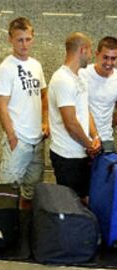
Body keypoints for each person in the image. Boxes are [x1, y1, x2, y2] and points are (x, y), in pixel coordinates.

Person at [0, 17, 48, 209]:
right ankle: (6, 230)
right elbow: (1, 105)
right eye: (20, 39)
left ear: (33, 38)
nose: (24, 44)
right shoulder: (5, 68)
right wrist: (11, 136)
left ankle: (25, 227)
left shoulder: (36, 65)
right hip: (18, 141)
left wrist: (45, 123)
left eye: (28, 39)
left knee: (31, 192)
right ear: (10, 39)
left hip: (37, 140)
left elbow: (44, 96)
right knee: (7, 192)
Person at [49, 32, 101, 201]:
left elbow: (85, 110)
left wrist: (95, 136)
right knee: (70, 204)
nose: (91, 54)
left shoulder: (79, 77)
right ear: (83, 49)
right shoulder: (62, 79)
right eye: (90, 50)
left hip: (81, 153)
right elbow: (70, 123)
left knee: (84, 199)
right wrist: (90, 146)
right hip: (67, 156)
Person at [79, 36, 117, 153]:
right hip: (82, 138)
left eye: (113, 58)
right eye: (105, 57)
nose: (109, 63)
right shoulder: (82, 74)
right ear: (97, 54)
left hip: (106, 139)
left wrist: (108, 124)